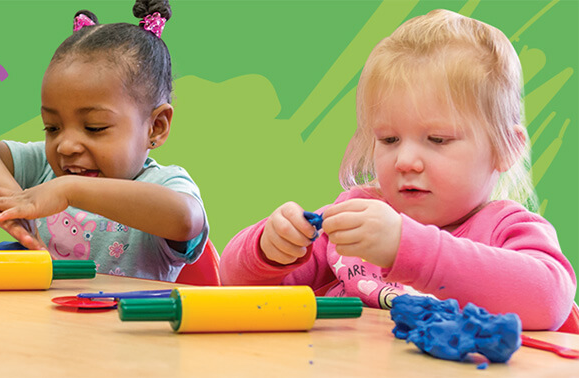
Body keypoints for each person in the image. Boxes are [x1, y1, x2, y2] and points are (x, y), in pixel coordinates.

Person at [219, 9, 576, 330]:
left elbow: (549, 300)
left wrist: (407, 247)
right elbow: (234, 286)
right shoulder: (354, 220)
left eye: (437, 139)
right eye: (389, 139)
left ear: (507, 148)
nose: (405, 160)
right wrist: (268, 248)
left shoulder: (507, 229)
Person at [0, 0, 209, 282]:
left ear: (155, 127)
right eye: (52, 127)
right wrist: (13, 199)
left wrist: (70, 190)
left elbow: (185, 220)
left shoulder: (162, 185)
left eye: (94, 127)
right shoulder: (47, 168)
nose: (66, 146)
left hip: (122, 324)